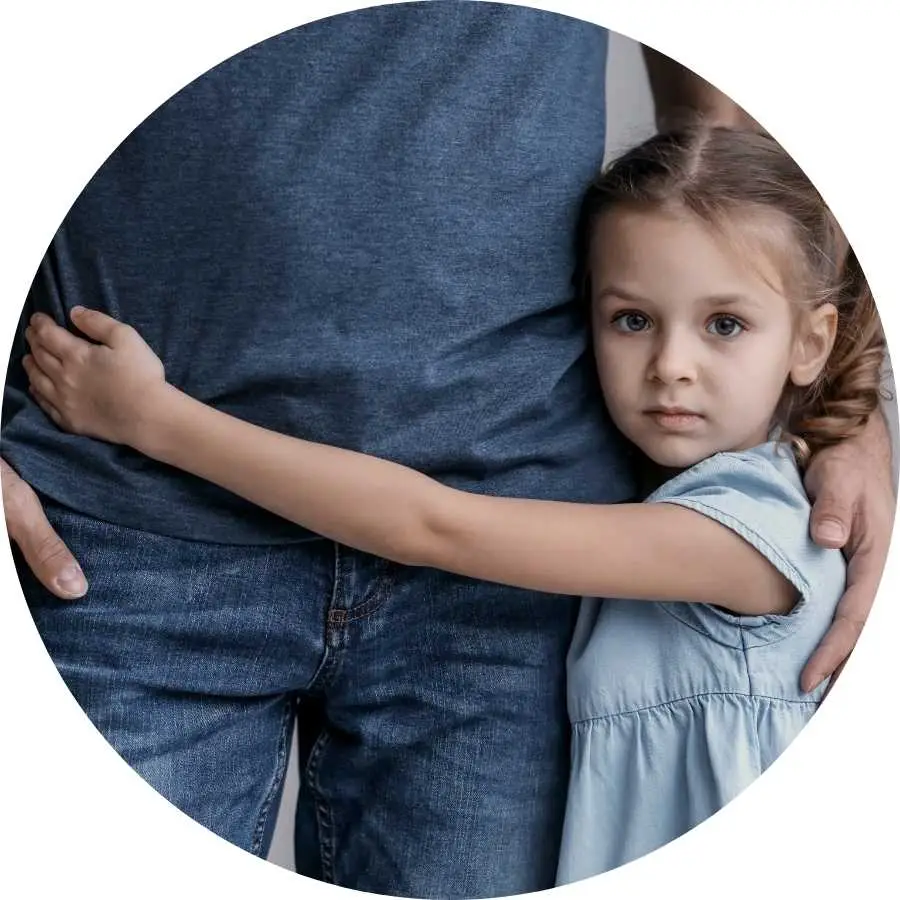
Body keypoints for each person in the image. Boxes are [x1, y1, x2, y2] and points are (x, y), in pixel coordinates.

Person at [1, 4, 893, 897]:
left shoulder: (743, 533)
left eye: (725, 324)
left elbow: (433, 527)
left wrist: (152, 417)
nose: (671, 369)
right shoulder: (696, 503)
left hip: (487, 568)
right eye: (631, 319)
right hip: (122, 528)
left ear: (814, 340)